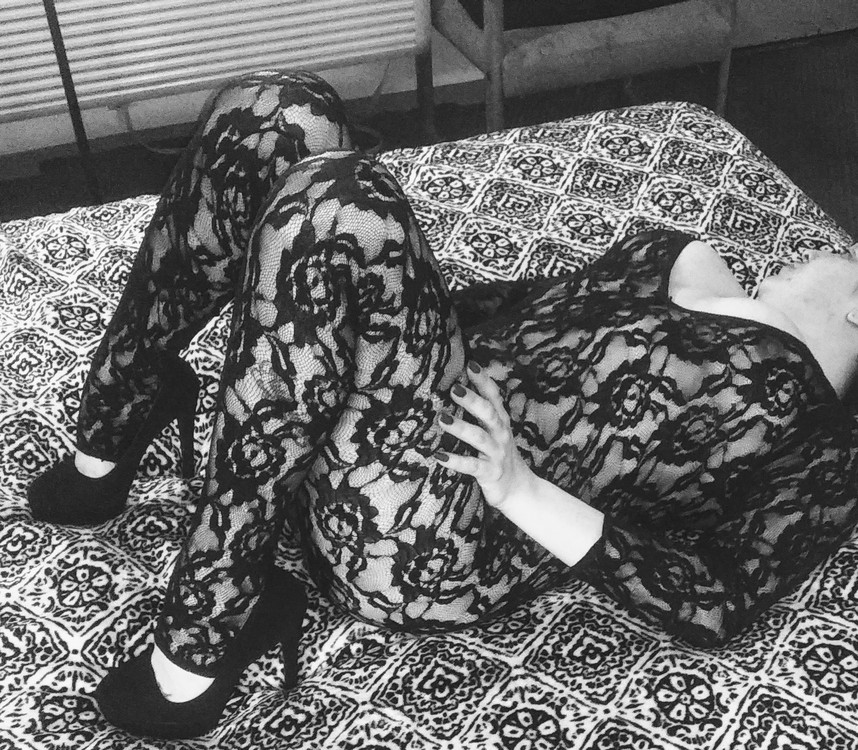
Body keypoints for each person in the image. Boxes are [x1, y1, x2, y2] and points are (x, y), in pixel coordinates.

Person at [26, 70, 858, 739]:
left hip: (429, 527)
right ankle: (117, 417)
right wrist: (352, 314)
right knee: (283, 114)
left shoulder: (823, 431)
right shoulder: (698, 265)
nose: (808, 249)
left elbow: (716, 601)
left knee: (343, 201)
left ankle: (205, 624)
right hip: (371, 428)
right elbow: (499, 314)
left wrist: (521, 490)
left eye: (834, 253)